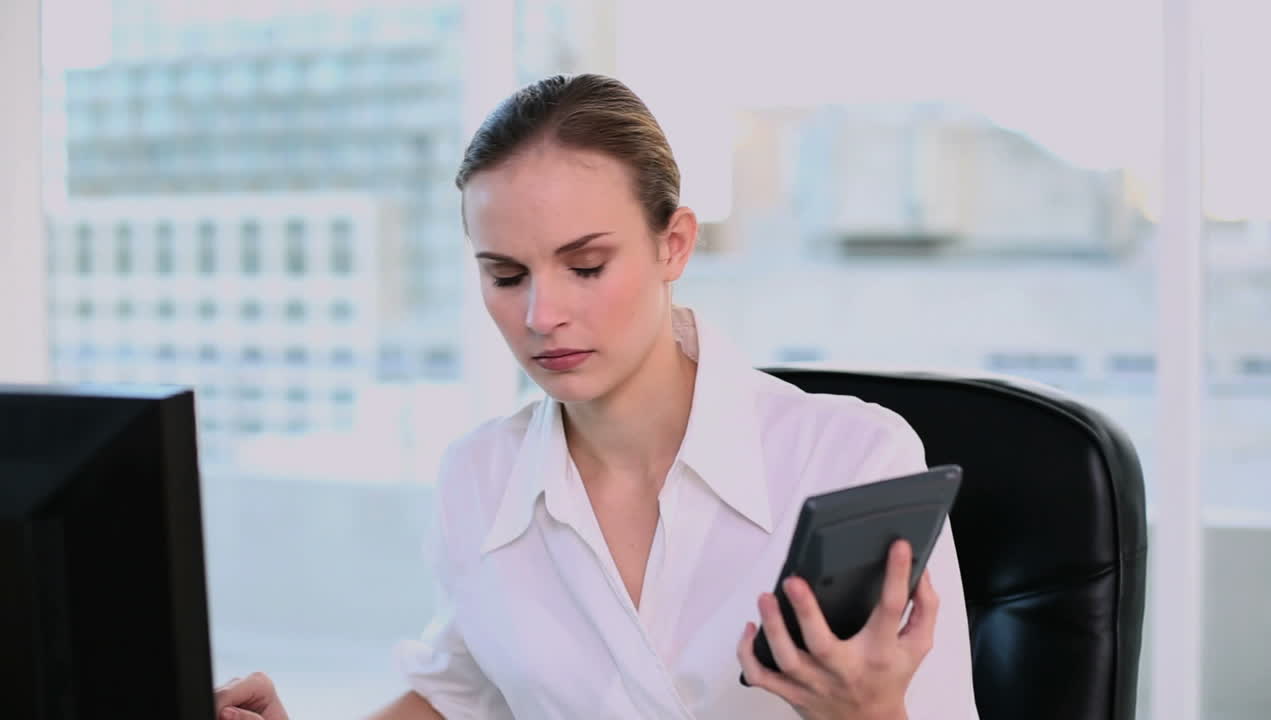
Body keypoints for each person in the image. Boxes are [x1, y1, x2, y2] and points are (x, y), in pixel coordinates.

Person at [215, 73, 978, 720]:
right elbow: (460, 692)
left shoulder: (850, 459)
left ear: (672, 244)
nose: (541, 316)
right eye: (506, 276)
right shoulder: (480, 477)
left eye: (585, 267)